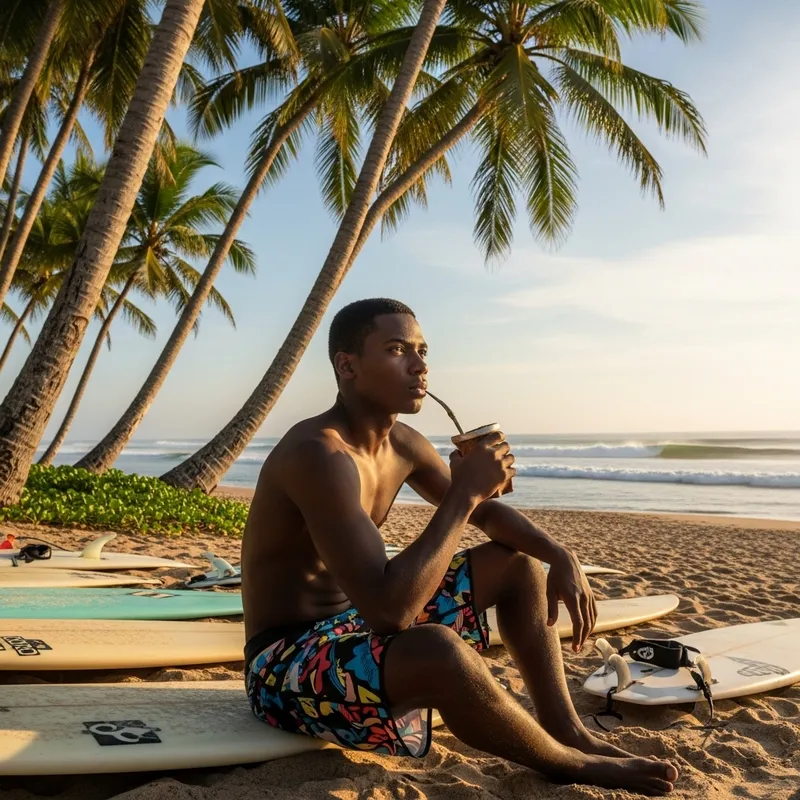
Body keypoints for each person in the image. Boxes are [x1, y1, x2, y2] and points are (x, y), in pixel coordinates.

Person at [241, 298, 678, 795]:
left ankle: (567, 729)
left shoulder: (403, 442)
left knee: (518, 567)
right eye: (396, 349)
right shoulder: (318, 455)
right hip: (283, 663)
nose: (419, 364)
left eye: (422, 350)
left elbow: (487, 515)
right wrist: (466, 492)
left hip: (348, 627)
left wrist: (558, 553)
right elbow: (391, 612)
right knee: (437, 648)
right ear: (348, 366)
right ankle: (564, 762)